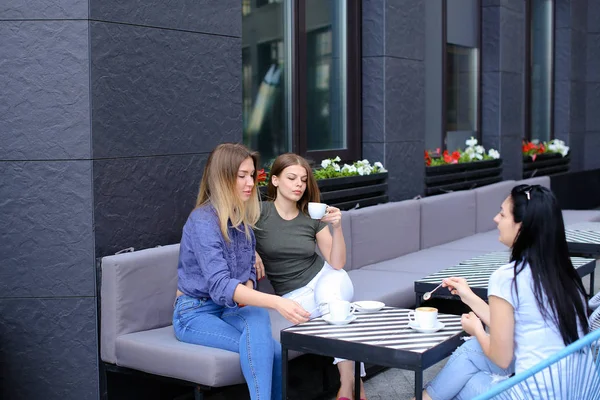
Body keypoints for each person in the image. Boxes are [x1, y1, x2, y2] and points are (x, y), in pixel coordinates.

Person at [418, 184, 590, 400]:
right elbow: (513, 326)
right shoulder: (563, 274)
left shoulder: (508, 277)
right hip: (580, 390)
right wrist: (468, 295)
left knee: (465, 381)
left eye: (502, 214)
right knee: (470, 353)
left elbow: (502, 357)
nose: (496, 220)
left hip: (537, 394)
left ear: (522, 226)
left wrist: (478, 330)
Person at [173, 143, 310, 400]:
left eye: (252, 175)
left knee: (266, 333)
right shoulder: (203, 221)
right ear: (223, 178)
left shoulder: (241, 218)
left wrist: (249, 294)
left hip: (229, 309)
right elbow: (221, 284)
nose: (250, 183)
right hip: (194, 312)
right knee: (266, 348)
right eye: (242, 176)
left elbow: (246, 270)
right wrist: (277, 303)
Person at [254, 153, 367, 400]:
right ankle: (357, 385)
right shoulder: (259, 212)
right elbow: (228, 223)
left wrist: (337, 228)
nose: (298, 185)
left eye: (303, 180)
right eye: (291, 178)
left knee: (332, 301)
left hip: (328, 278)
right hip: (294, 295)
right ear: (274, 180)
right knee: (336, 311)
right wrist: (251, 250)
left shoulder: (311, 215)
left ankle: (346, 388)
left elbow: (337, 263)